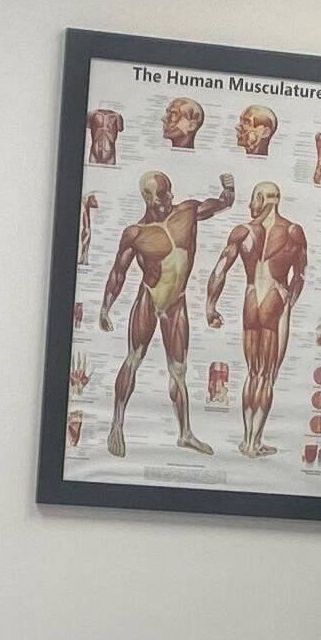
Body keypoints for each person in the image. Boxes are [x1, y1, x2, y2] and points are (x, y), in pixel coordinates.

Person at [97, 170, 237, 457]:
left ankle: (185, 434)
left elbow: (223, 203)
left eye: (170, 190)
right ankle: (116, 425)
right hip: (150, 299)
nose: (171, 196)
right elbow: (118, 273)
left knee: (179, 371)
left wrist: (229, 186)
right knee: (134, 359)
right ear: (149, 198)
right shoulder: (135, 234)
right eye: (164, 193)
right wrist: (105, 307)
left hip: (176, 302)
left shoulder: (187, 211)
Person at [206, 181, 310, 458]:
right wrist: (289, 303)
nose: (250, 205)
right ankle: (255, 442)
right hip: (276, 296)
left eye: (253, 199)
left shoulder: (243, 232)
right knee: (266, 376)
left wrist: (210, 306)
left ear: (263, 199)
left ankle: (246, 441)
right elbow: (299, 276)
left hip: (251, 298)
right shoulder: (293, 232)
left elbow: (219, 270)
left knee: (253, 373)